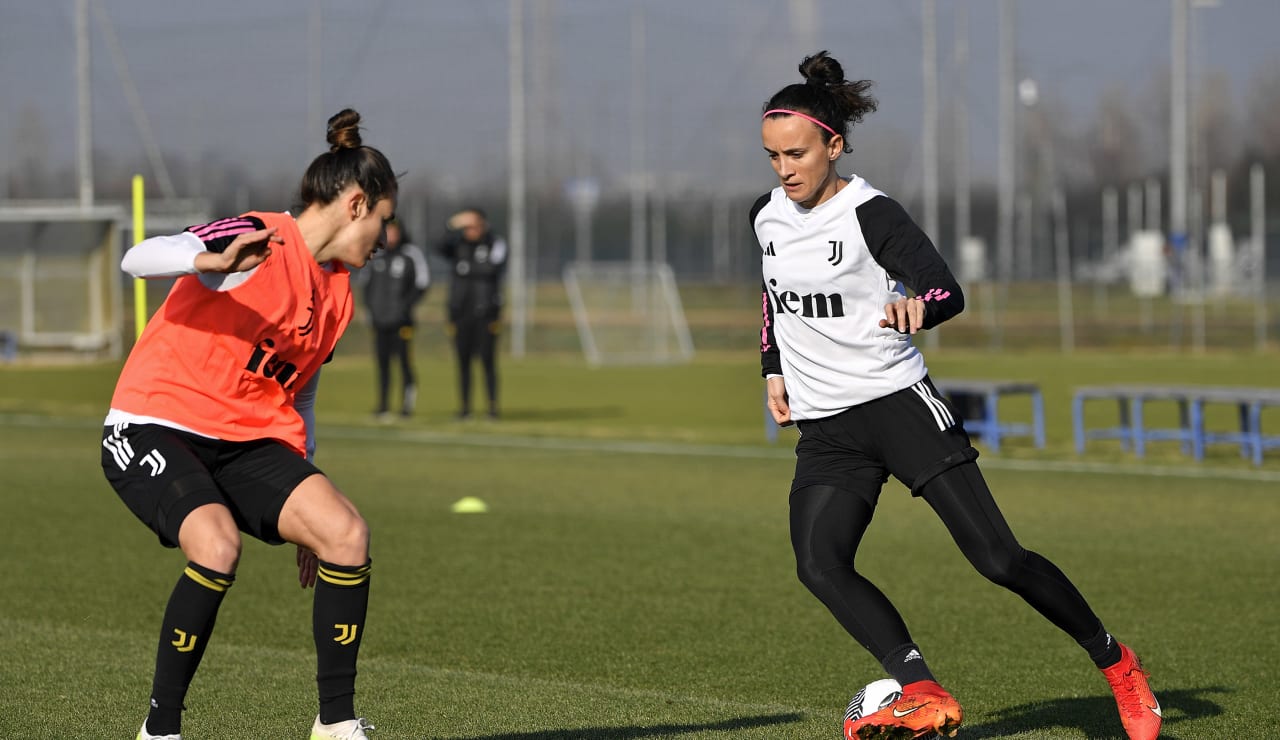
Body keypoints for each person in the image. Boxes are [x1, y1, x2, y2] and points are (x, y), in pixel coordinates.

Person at [753, 52, 1160, 740]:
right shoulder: (765, 216)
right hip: (827, 427)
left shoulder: (872, 214)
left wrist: (919, 309)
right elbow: (770, 300)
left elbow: (945, 289)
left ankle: (1116, 661)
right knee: (820, 564)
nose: (784, 169)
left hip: (897, 405)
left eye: (796, 153)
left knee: (998, 559)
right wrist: (772, 368)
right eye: (772, 156)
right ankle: (920, 689)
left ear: (834, 143)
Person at [101, 108, 395, 740]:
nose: (385, 237)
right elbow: (137, 257)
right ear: (355, 204)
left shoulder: (339, 292)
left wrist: (304, 496)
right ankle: (160, 730)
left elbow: (303, 394)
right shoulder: (262, 234)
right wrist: (205, 262)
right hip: (155, 423)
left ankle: (336, 724)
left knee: (344, 534)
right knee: (216, 545)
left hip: (248, 440)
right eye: (384, 221)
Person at [437, 207, 506, 420]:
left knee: (487, 361)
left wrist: (466, 268)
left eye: (474, 224)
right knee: (463, 362)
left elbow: (493, 268)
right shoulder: (459, 245)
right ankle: (465, 408)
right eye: (466, 225)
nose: (470, 229)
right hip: (460, 313)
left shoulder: (495, 243)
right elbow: (439, 247)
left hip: (486, 313)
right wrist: (451, 226)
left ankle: (492, 408)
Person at [362, 217, 430, 420]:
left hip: (402, 322)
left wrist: (405, 308)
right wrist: (371, 311)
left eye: (394, 232)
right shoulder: (376, 255)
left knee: (403, 363)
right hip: (380, 320)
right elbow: (367, 286)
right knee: (382, 364)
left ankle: (406, 406)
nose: (390, 236)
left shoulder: (411, 254)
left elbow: (422, 283)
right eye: (387, 232)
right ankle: (383, 406)